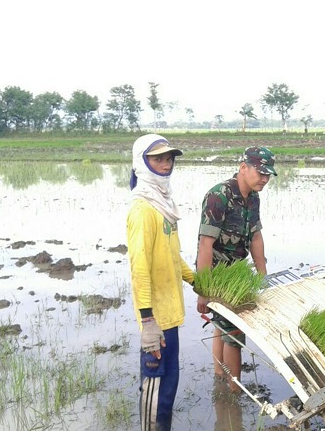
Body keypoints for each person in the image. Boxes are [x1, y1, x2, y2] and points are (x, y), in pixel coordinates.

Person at [127, 133, 195, 431]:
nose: (166, 164)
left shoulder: (163, 206)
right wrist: (148, 321)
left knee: (168, 389)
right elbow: (139, 267)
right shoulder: (143, 210)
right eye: (158, 158)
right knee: (155, 392)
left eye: (169, 158)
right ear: (142, 163)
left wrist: (198, 282)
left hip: (170, 316)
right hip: (156, 319)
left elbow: (172, 255)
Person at [196, 146, 277, 392]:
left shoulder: (253, 197)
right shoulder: (218, 196)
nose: (264, 179)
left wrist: (263, 277)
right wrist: (204, 290)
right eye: (260, 173)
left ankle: (220, 375)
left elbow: (255, 237)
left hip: (238, 272)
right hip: (218, 276)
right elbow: (205, 244)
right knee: (234, 331)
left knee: (222, 325)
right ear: (243, 167)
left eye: (268, 175)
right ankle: (234, 389)